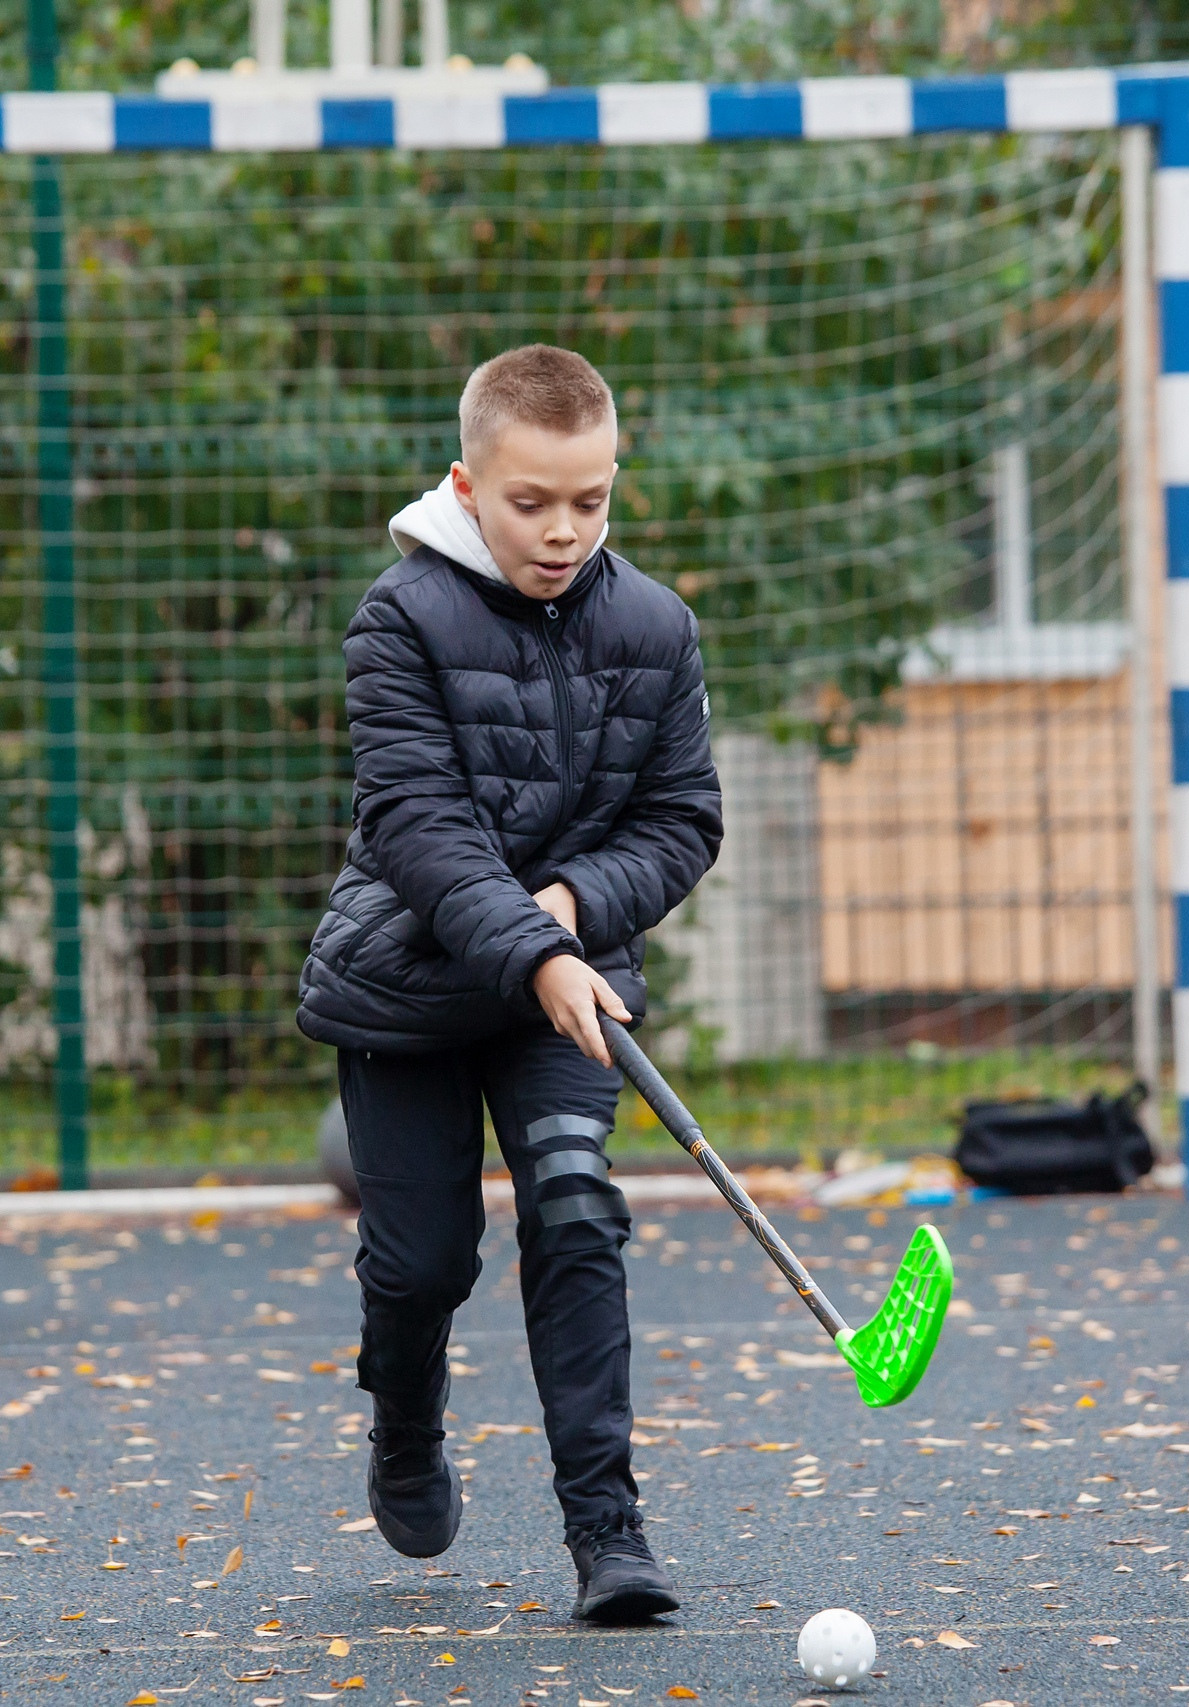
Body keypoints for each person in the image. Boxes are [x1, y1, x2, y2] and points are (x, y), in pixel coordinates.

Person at [295, 345, 722, 1623]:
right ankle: (405, 1428)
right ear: (465, 485)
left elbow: (683, 818)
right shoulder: (399, 616)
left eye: (588, 501)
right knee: (422, 1266)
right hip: (410, 986)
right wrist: (530, 946)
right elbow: (419, 825)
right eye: (531, 501)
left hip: (568, 985)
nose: (561, 530)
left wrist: (578, 912)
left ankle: (609, 1535)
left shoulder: (655, 626)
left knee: (578, 1211)